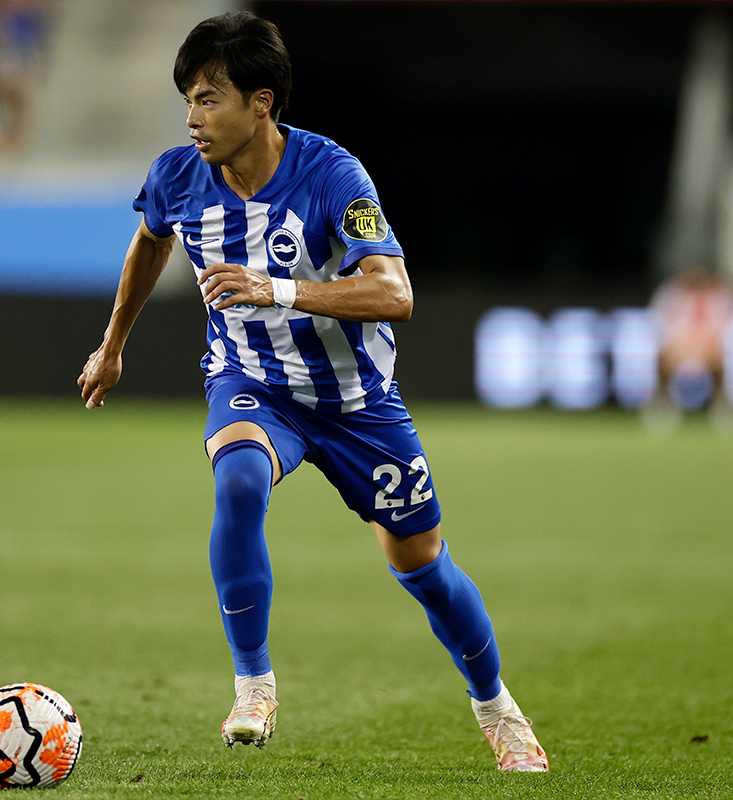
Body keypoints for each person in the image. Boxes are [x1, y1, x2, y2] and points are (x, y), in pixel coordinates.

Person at [77, 11, 548, 772]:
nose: (192, 118)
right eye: (188, 100)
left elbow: (395, 293)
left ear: (261, 103)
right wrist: (112, 345)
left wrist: (277, 288)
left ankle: (496, 707)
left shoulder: (333, 175)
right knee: (238, 480)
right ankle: (254, 684)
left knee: (423, 565)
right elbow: (150, 239)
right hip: (254, 383)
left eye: (208, 99)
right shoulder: (176, 175)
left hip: (358, 404)